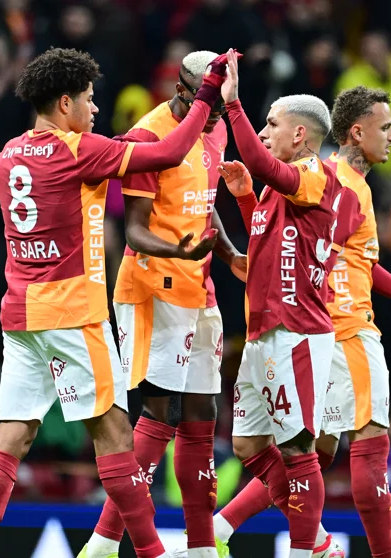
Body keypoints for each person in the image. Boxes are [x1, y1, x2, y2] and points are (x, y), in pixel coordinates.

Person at [0, 46, 230, 558]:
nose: (95, 108)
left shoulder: (9, 153)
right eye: (88, 99)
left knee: (12, 436)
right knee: (115, 436)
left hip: (20, 313)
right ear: (65, 103)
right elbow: (169, 153)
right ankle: (149, 553)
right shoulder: (78, 150)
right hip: (73, 312)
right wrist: (207, 97)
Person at [208, 85, 391, 558]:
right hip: (339, 327)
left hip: (308, 328)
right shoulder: (333, 179)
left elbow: (345, 257)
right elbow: (321, 248)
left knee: (308, 456)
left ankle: (225, 526)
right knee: (364, 451)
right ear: (357, 132)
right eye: (386, 127)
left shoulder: (329, 179)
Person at [79, 51, 247, 558]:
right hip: (152, 287)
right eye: (207, 103)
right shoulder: (148, 137)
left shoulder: (217, 127)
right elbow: (133, 231)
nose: (213, 116)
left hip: (200, 286)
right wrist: (180, 251)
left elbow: (206, 203)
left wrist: (230, 255)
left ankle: (201, 547)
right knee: (160, 411)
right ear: (181, 91)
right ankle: (104, 543)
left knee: (201, 414)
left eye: (221, 106)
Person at [213, 49, 340, 558]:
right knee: (248, 445)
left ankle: (306, 549)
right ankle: (320, 542)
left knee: (298, 449)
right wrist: (246, 197)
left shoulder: (314, 174)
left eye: (271, 124)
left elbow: (262, 160)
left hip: (296, 332)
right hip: (263, 332)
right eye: (261, 124)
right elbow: (267, 247)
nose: (264, 133)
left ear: (300, 135)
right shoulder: (278, 190)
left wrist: (233, 105)